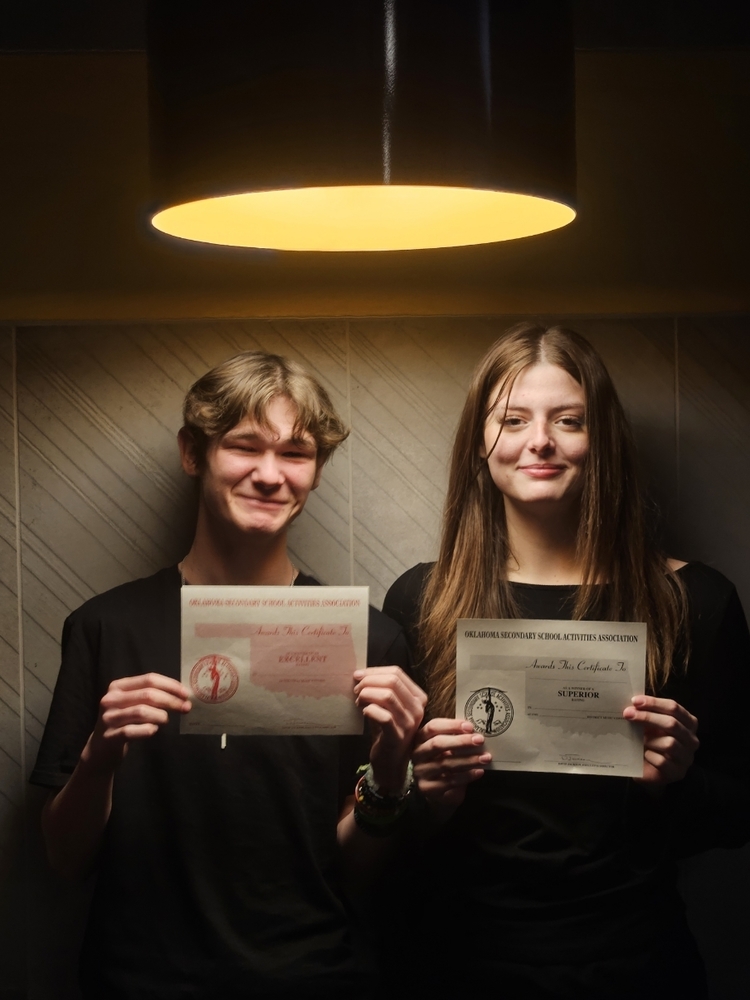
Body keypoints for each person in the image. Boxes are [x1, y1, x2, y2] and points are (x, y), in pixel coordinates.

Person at [31, 350, 426, 1000]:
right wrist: (98, 760)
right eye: (244, 446)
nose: (270, 475)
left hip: (318, 977)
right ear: (193, 453)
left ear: (317, 472)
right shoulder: (107, 627)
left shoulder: (371, 639)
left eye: (295, 453)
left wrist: (388, 775)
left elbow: (356, 871)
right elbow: (65, 860)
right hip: (139, 979)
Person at [383, 324, 750, 1000]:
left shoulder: (696, 600)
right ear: (479, 446)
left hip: (635, 965)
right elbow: (385, 822)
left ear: (602, 442)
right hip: (455, 963)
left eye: (569, 421)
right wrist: (424, 793)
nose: (540, 441)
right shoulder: (421, 598)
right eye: (513, 419)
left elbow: (737, 813)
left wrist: (673, 779)